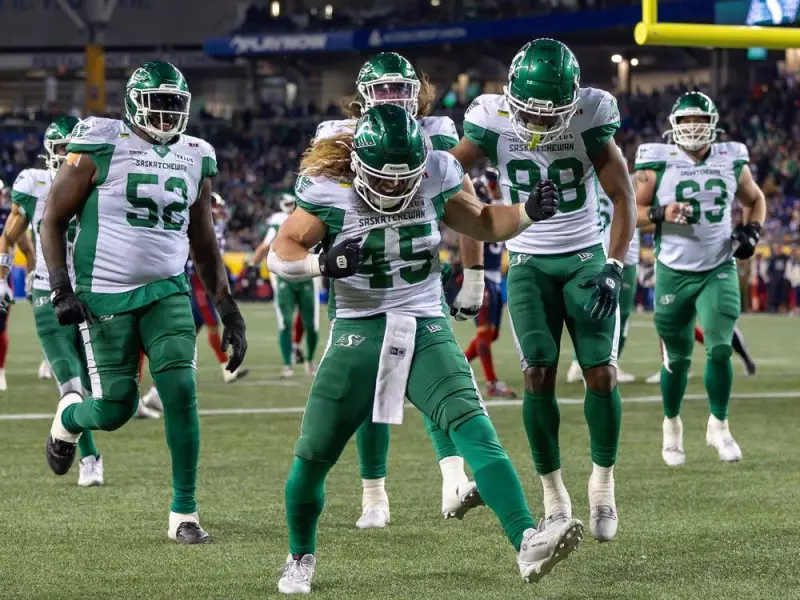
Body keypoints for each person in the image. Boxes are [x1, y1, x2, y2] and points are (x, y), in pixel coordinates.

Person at [269, 105, 582, 594]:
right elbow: (281, 251)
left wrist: (526, 213)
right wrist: (320, 264)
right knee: (313, 453)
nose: (395, 187)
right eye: (383, 178)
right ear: (358, 164)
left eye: (405, 178)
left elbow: (481, 221)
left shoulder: (437, 173)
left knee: (474, 427)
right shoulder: (329, 188)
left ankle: (527, 540)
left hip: (423, 322)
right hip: (358, 328)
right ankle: (300, 555)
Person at [40, 60, 248, 543]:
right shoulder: (99, 142)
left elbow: (204, 239)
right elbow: (52, 218)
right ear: (133, 103)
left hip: (167, 291)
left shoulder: (196, 154)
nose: (167, 115)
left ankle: (185, 512)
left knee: (180, 392)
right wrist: (60, 288)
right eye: (157, 105)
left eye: (175, 105)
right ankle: (69, 418)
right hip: (105, 293)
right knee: (114, 409)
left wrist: (228, 308)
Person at [450, 38, 636, 543]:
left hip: (583, 257)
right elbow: (447, 178)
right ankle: (554, 497)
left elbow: (623, 196)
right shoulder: (491, 118)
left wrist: (615, 264)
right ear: (511, 96)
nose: (536, 124)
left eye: (549, 114)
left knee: (601, 373)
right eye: (528, 114)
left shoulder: (591, 116)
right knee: (536, 374)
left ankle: (603, 485)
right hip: (528, 259)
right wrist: (469, 268)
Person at [313, 51, 484, 528]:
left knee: (435, 380)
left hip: (417, 278)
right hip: (363, 285)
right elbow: (315, 213)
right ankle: (374, 494)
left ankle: (452, 475)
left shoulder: (437, 133)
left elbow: (468, 208)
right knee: (373, 391)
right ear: (363, 97)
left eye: (399, 89)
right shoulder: (336, 137)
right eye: (382, 89)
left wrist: (473, 275)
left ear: (418, 93)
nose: (391, 98)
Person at [634, 90, 766, 466]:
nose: (693, 127)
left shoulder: (731, 157)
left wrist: (752, 231)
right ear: (674, 126)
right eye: (687, 120)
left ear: (714, 125)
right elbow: (632, 210)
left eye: (700, 120)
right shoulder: (655, 160)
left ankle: (719, 425)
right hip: (673, 272)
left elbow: (754, 199)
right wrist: (662, 212)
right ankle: (672, 425)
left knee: (721, 347)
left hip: (718, 267)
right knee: (676, 359)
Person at [140, 191, 249, 412]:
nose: (220, 211)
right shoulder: (197, 221)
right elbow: (203, 256)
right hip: (192, 284)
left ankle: (155, 393)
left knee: (184, 341)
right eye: (216, 206)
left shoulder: (206, 224)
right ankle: (146, 392)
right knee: (175, 338)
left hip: (193, 283)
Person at [567, 177, 640, 383]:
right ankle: (601, 364)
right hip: (618, 252)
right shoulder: (619, 170)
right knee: (620, 316)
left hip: (592, 249)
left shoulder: (587, 173)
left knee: (591, 310)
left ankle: (578, 363)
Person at [247, 192, 319, 378]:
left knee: (311, 324)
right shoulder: (279, 219)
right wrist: (252, 265)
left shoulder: (310, 215)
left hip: (307, 274)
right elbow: (265, 245)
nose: (290, 206)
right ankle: (288, 364)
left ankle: (309, 362)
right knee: (285, 323)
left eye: (292, 203)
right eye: (287, 203)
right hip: (285, 276)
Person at [462, 167, 517, 398]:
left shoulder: (497, 205)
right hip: (482, 276)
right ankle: (492, 383)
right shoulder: (476, 210)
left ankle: (457, 367)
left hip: (495, 277)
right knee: (485, 333)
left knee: (492, 334)